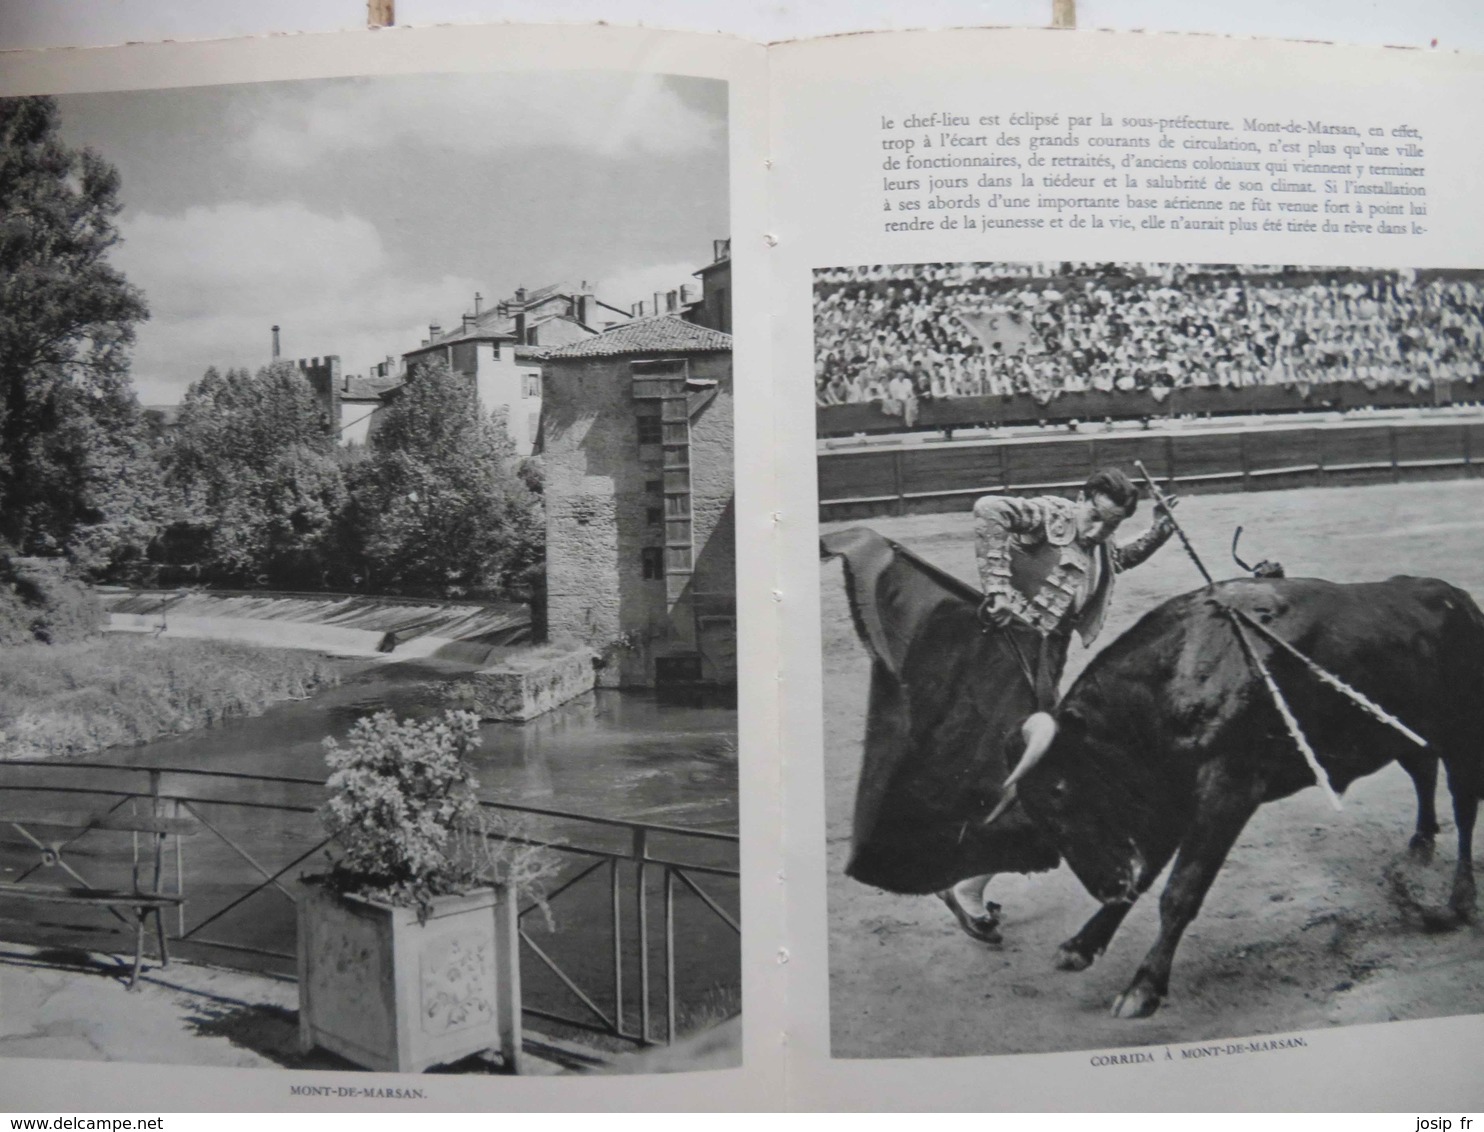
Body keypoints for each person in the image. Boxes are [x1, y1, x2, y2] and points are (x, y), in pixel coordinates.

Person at [938, 468, 1178, 942]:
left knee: (1029, 768)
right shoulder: (1051, 515)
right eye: (1095, 517)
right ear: (1082, 497)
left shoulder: (1099, 538)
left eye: (1110, 524)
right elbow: (988, 508)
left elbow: (1118, 559)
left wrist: (1158, 532)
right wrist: (999, 589)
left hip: (1047, 658)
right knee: (1032, 771)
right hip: (1008, 657)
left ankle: (965, 877)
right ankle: (964, 885)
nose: (1097, 531)